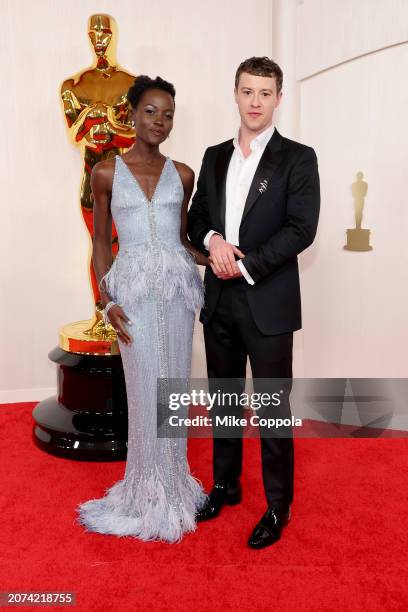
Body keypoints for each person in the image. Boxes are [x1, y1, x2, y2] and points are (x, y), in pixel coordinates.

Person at [187, 57, 320, 549]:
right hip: (219, 299)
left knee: (270, 409)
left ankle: (278, 507)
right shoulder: (215, 155)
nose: (256, 102)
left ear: (279, 98)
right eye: (248, 92)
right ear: (236, 94)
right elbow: (196, 215)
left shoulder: (298, 158)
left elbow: (301, 229)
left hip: (267, 301)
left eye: (265, 93)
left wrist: (243, 264)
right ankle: (226, 484)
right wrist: (214, 240)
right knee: (223, 401)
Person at [76, 75, 208, 543]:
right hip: (131, 296)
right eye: (151, 111)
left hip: (176, 295)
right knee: (145, 387)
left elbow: (184, 240)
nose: (159, 121)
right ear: (132, 113)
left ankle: (172, 485)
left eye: (168, 114)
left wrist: (216, 256)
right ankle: (145, 491)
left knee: (172, 388)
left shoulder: (185, 174)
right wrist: (106, 300)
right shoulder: (106, 172)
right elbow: (98, 243)